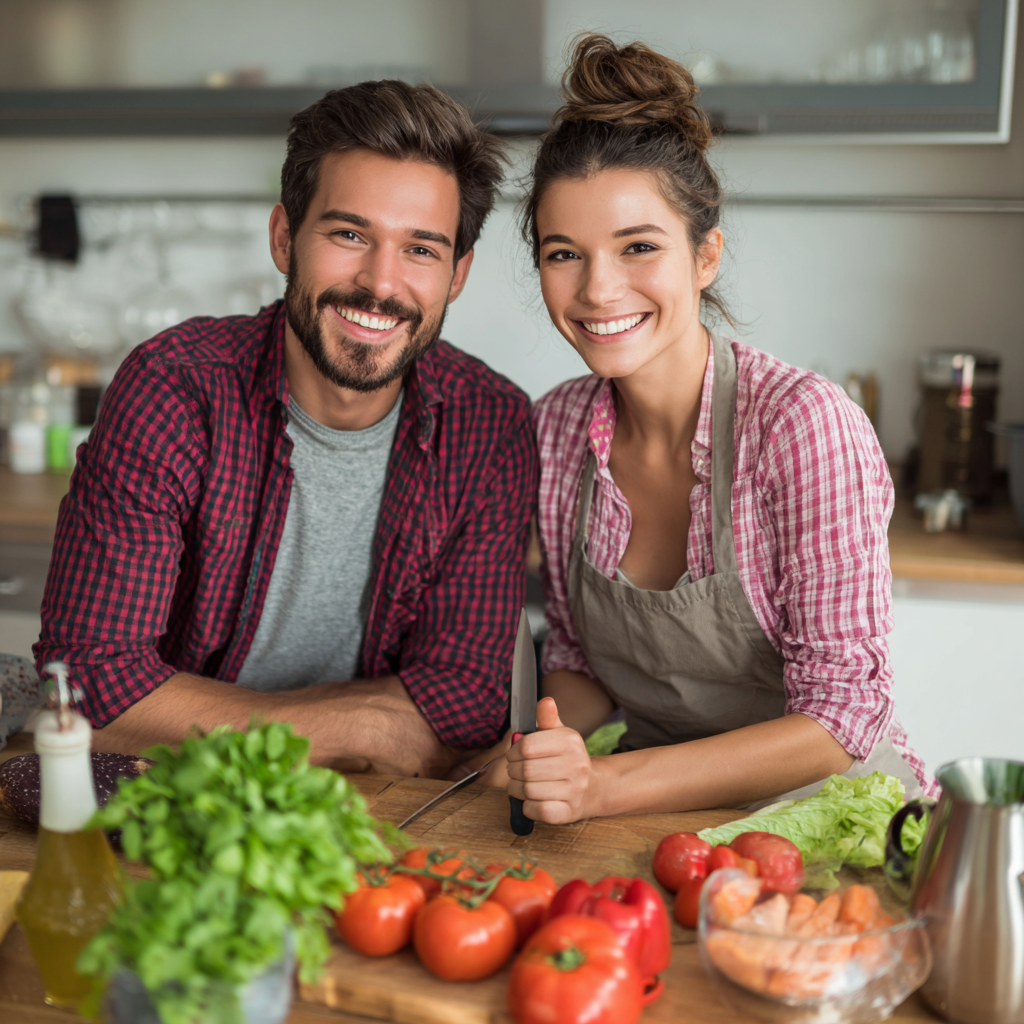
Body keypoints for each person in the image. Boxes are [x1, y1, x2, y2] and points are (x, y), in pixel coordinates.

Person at [35, 80, 537, 778]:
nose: (380, 283)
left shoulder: (490, 424)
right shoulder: (174, 390)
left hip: (379, 817)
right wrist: (365, 724)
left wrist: (197, 714)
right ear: (284, 238)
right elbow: (91, 686)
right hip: (176, 800)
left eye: (421, 250)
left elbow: (466, 702)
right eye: (349, 234)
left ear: (456, 275)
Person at [502, 35, 935, 823]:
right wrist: (546, 742)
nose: (599, 289)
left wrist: (604, 787)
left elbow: (841, 717)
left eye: (638, 247)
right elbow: (577, 659)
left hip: (825, 815)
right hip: (656, 820)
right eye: (565, 254)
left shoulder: (800, 427)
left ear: (705, 258)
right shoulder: (556, 430)